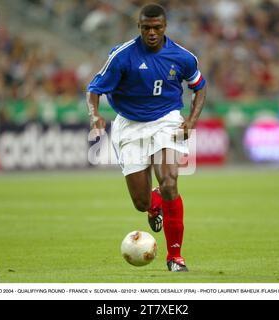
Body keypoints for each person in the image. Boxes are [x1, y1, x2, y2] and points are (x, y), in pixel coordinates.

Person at [86, 4, 206, 272]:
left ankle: (175, 257)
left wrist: (192, 120)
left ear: (165, 27)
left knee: (170, 183)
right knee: (140, 203)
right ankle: (154, 206)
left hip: (167, 121)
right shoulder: (121, 56)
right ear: (139, 27)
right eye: (146, 28)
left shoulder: (182, 57)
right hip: (130, 125)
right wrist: (94, 115)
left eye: (157, 28)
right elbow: (94, 89)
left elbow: (199, 86)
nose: (152, 33)